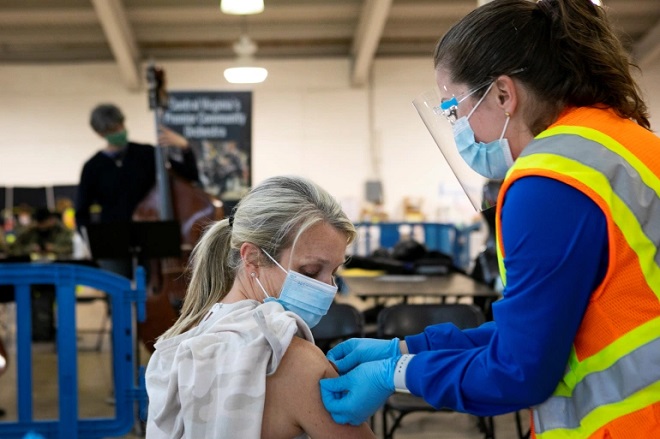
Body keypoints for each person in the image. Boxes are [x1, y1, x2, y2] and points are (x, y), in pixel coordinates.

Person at [320, 1, 660, 438]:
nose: (457, 127)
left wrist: (397, 374)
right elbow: (536, 330)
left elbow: (519, 371)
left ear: (503, 94)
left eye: (453, 109)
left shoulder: (549, 183)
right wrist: (403, 347)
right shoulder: (629, 145)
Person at [145, 175, 375, 439]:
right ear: (252, 257)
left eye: (333, 272)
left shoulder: (182, 341)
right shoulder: (296, 361)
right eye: (310, 271)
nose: (328, 289)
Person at [75, 103, 200, 276]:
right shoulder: (92, 167)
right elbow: (81, 211)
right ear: (100, 134)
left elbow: (189, 176)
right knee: (118, 289)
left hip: (151, 236)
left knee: (153, 285)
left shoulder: (146, 153)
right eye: (112, 130)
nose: (119, 131)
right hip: (112, 240)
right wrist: (90, 242)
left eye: (120, 125)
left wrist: (185, 147)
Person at [8, 207, 73, 260]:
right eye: (41, 224)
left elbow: (70, 248)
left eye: (45, 223)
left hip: (56, 264)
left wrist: (54, 248)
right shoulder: (29, 232)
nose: (43, 227)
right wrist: (30, 249)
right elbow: (12, 250)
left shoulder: (61, 232)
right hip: (31, 265)